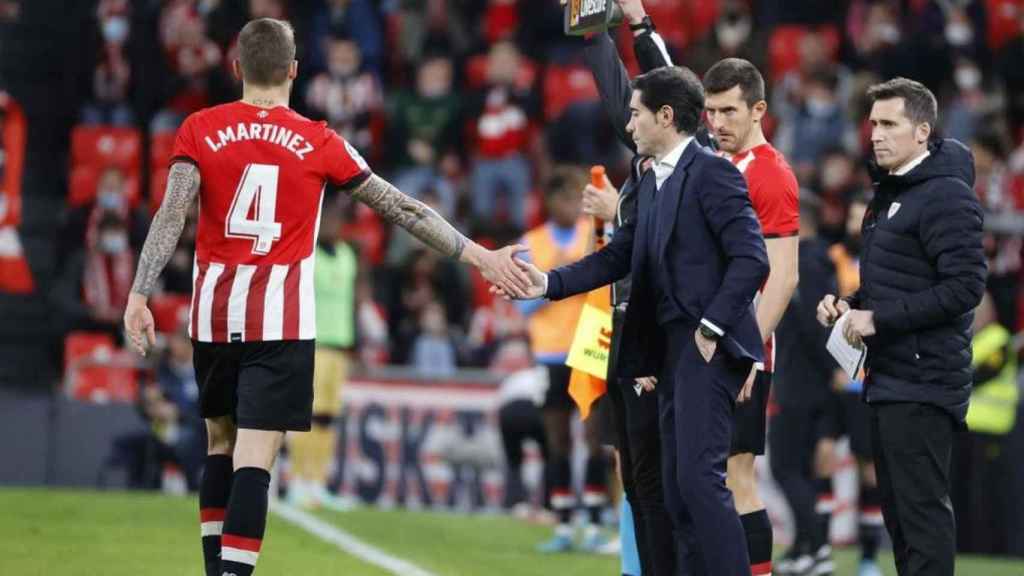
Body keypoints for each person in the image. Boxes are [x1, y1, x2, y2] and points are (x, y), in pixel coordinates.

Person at [122, 18, 530, 576]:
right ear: (293, 71)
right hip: (280, 322)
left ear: (237, 68)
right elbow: (400, 207)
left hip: (213, 316)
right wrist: (479, 255)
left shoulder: (199, 128)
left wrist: (140, 293)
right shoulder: (318, 140)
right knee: (255, 458)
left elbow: (171, 215)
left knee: (220, 442)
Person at [500, 65, 769, 576]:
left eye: (636, 113)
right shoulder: (649, 179)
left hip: (704, 346)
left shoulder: (713, 172)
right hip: (664, 350)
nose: (629, 125)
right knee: (673, 486)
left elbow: (752, 259)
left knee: (698, 481)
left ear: (666, 117)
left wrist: (711, 328)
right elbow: (618, 256)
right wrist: (548, 283)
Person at [625, 5, 801, 572]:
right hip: (705, 341)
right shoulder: (712, 161)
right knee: (705, 477)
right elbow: (669, 88)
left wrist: (749, 351)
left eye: (730, 111)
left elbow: (782, 272)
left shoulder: (769, 172)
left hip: (736, 345)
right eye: (713, 111)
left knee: (736, 478)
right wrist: (639, 23)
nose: (717, 122)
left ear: (758, 111)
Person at [817, 77, 987, 576]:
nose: (876, 134)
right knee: (900, 521)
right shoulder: (893, 193)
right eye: (873, 123)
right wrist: (849, 305)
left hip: (924, 379)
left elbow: (965, 288)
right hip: (891, 377)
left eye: (890, 123)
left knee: (921, 518)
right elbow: (891, 285)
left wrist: (877, 317)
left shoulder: (946, 196)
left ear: (922, 132)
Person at [517, 166, 611, 553]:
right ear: (550, 202)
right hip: (550, 352)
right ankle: (562, 523)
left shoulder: (597, 236)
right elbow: (521, 307)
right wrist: (551, 279)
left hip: (589, 345)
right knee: (556, 440)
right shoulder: (531, 244)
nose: (573, 206)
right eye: (565, 199)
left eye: (578, 198)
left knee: (594, 439)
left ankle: (591, 523)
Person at [769, 196, 838, 576]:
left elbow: (817, 327)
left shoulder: (806, 264)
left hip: (800, 383)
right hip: (811, 380)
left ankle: (819, 546)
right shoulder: (818, 261)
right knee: (801, 469)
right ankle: (804, 549)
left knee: (784, 468)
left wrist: (832, 368)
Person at [285, 195, 358, 510]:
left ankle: (318, 482)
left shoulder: (347, 255)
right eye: (327, 220)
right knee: (307, 417)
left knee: (328, 419)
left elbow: (352, 300)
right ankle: (298, 482)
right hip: (312, 343)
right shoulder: (307, 254)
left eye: (336, 220)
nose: (332, 225)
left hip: (340, 345)